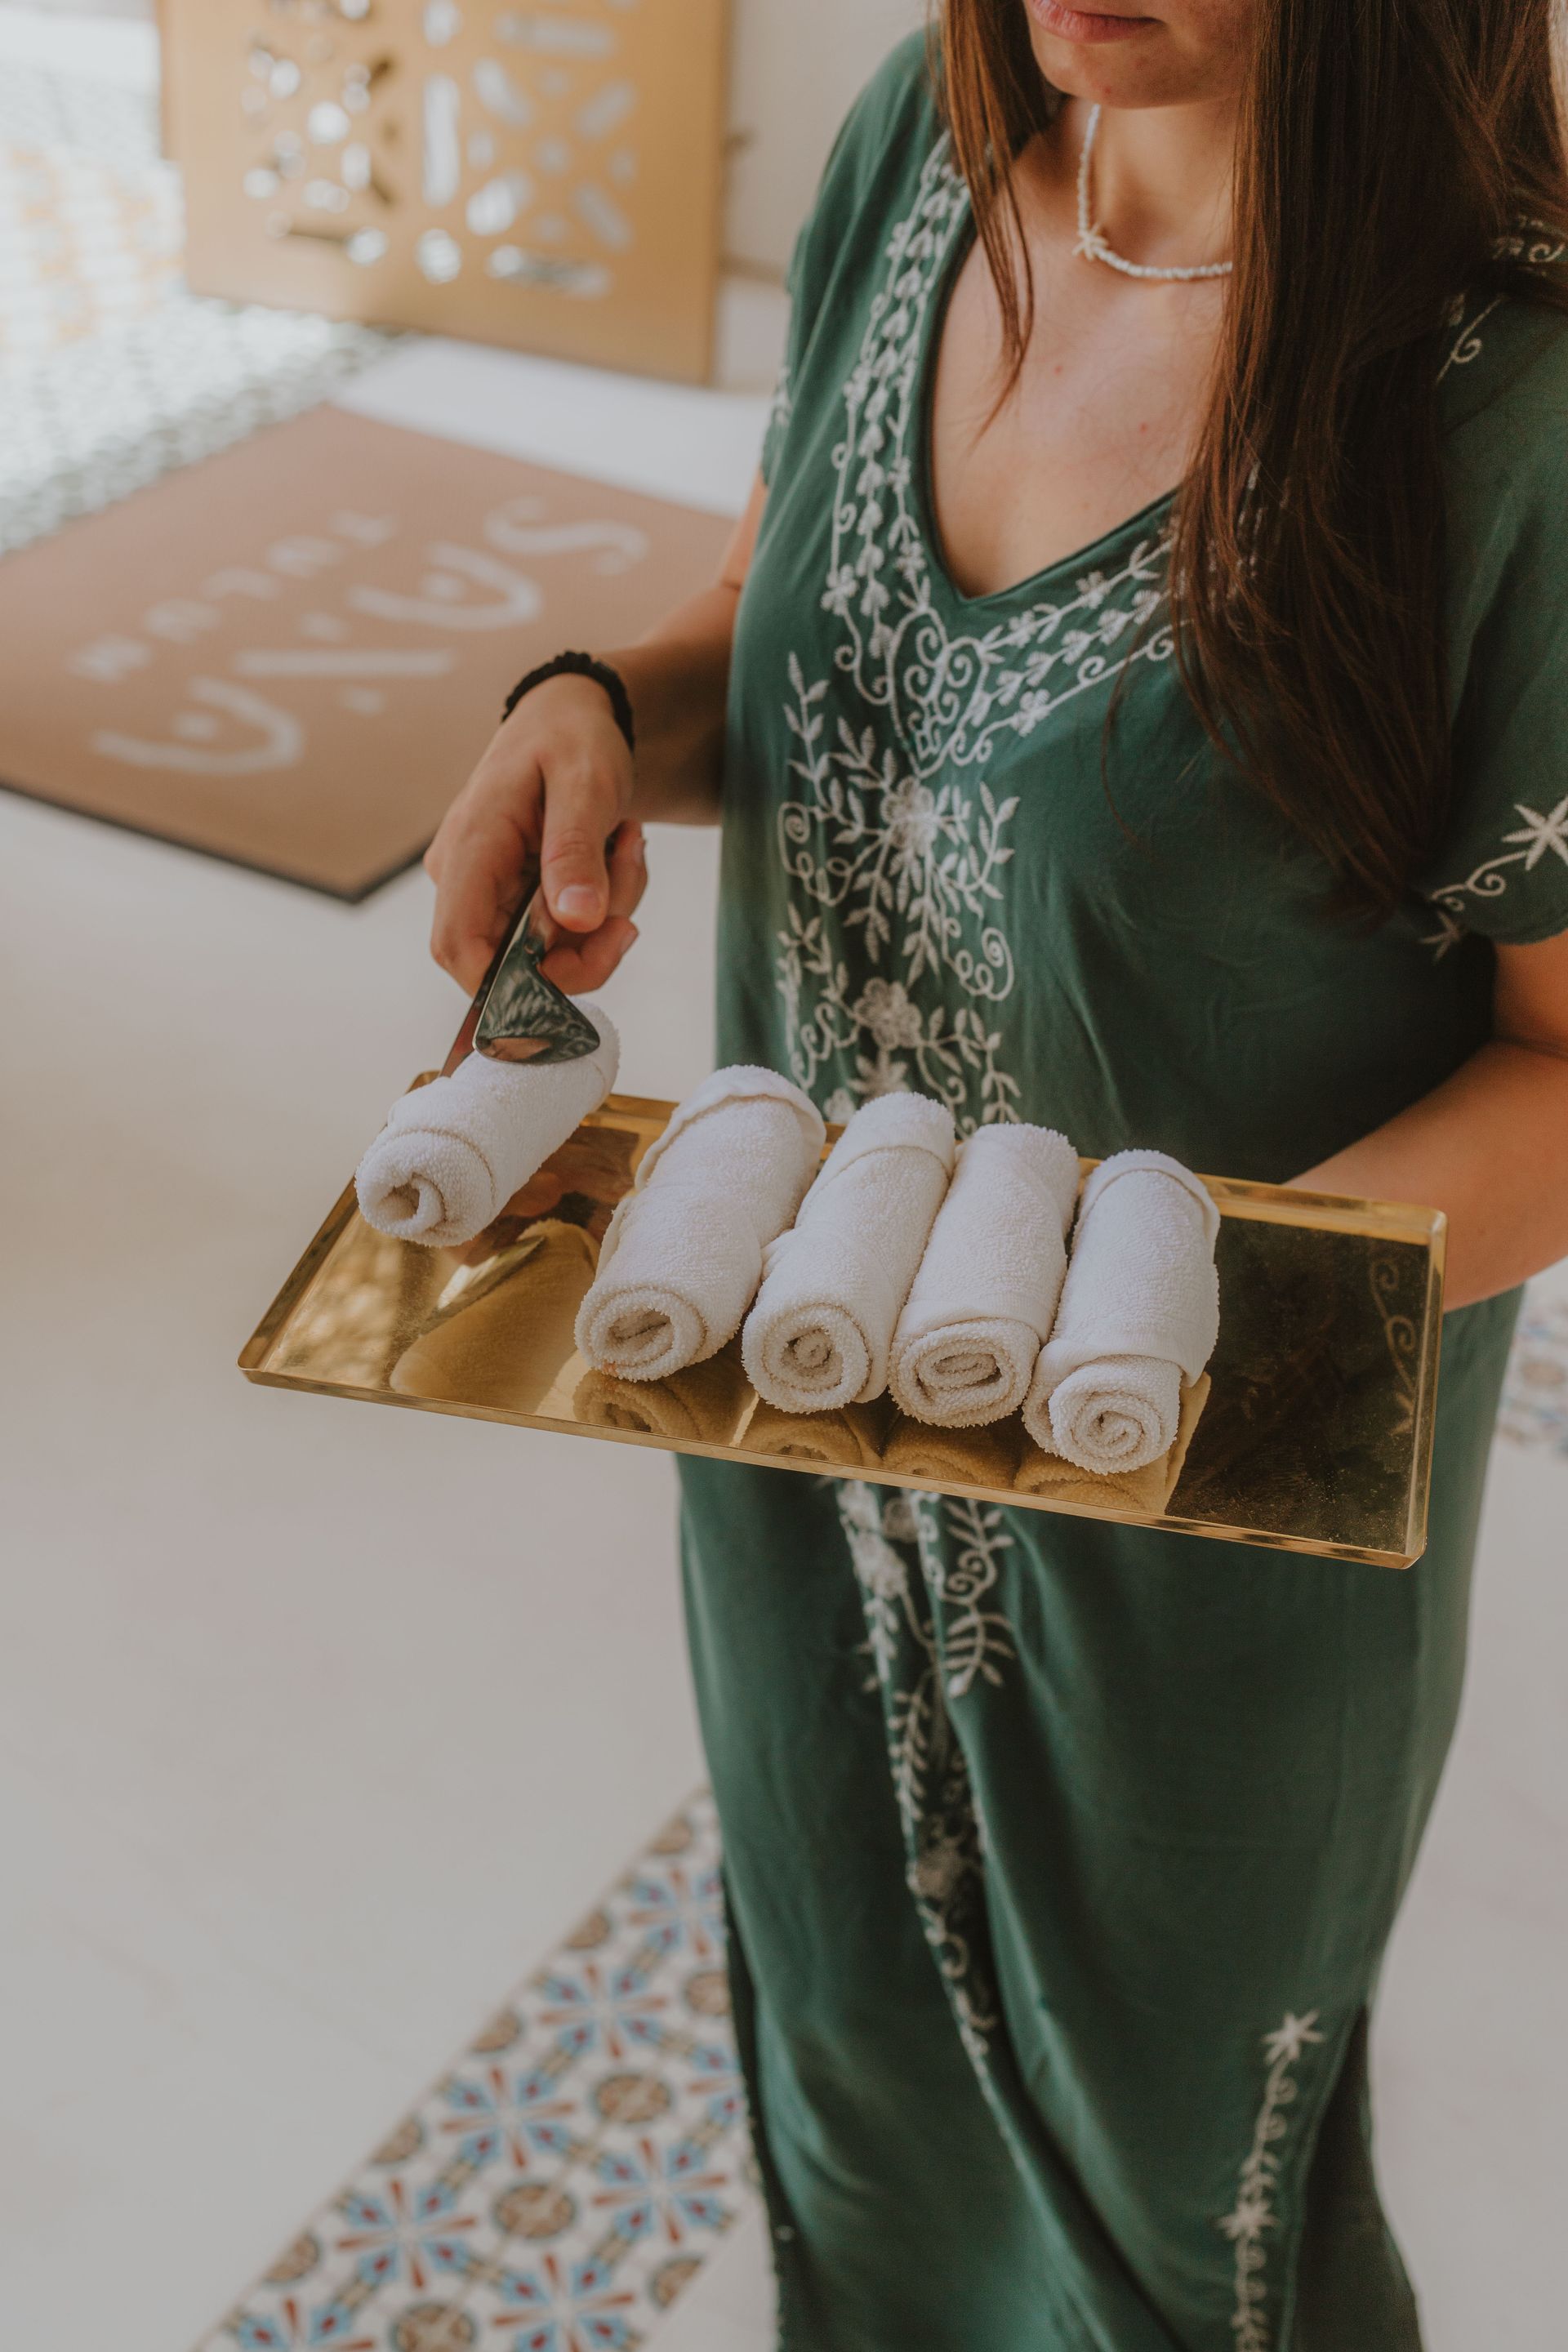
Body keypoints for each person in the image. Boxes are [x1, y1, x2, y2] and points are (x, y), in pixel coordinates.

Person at [424, 1, 1568, 2341]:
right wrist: (582, 711)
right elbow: (785, 645)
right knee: (852, 2080)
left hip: (1194, 1544)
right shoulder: (919, 164)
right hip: (802, 1433)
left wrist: (1141, 1309)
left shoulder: (1515, 419)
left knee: (1181, 2217)